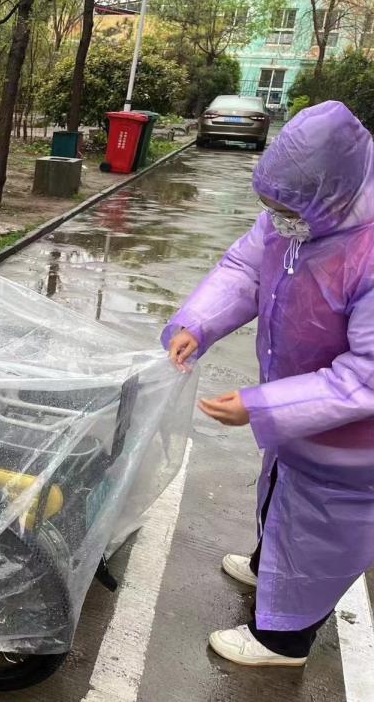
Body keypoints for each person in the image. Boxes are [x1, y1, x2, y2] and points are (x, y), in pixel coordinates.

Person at [164, 101, 374, 668]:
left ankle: (284, 641)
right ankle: (269, 567)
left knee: (323, 528)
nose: (278, 219)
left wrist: (261, 406)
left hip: (354, 444)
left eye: (287, 209)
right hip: (302, 411)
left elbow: (366, 376)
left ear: (331, 191)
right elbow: (244, 269)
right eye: (273, 208)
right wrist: (197, 323)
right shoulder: (300, 217)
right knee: (283, 489)